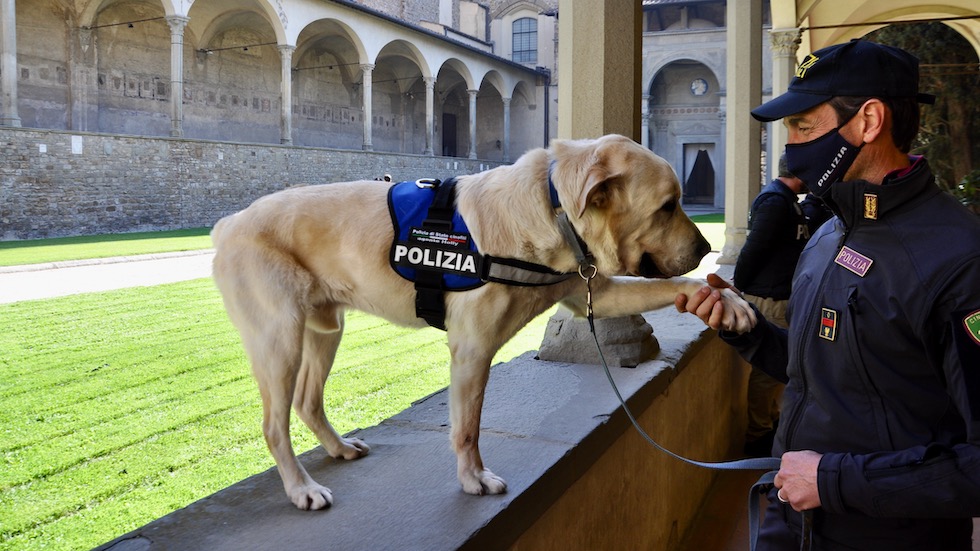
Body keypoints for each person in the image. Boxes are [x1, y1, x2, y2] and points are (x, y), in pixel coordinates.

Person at [675, 39, 980, 550]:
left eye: (803, 126)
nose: (790, 145)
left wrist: (833, 481)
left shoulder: (959, 260)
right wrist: (745, 328)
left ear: (868, 121)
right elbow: (823, 376)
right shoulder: (827, 232)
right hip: (790, 519)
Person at [734, 154, 815, 457]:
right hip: (769, 301)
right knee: (766, 373)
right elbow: (753, 249)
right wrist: (738, 285)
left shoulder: (786, 199)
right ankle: (758, 438)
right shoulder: (774, 202)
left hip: (781, 298)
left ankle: (769, 423)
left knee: (778, 370)